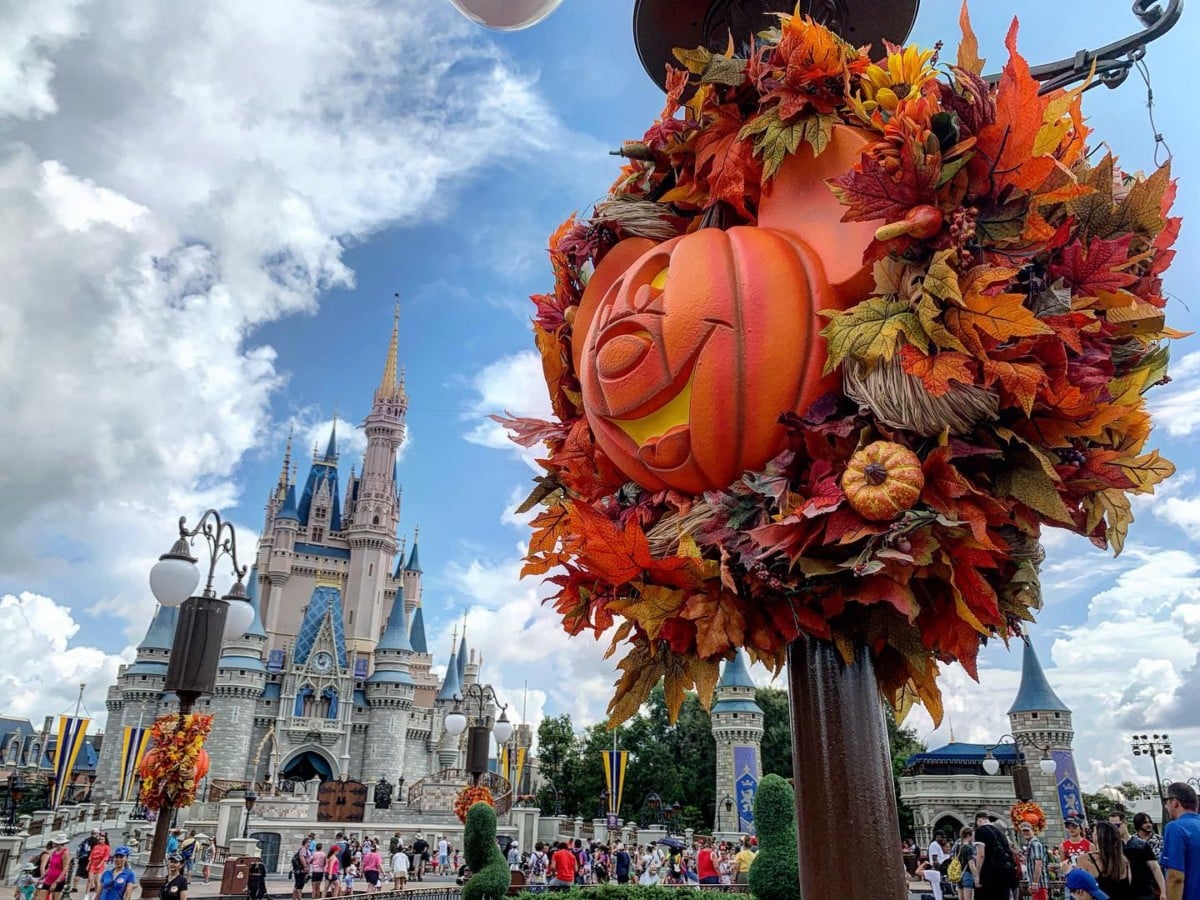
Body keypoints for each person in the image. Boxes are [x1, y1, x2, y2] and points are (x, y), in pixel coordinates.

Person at [1110, 810, 1166, 900]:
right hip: (1123, 892)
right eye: (1112, 827)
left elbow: (1155, 868)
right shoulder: (1112, 846)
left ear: (1125, 823)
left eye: (1118, 825)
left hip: (1145, 891)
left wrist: (1163, 891)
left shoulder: (1141, 844)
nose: (1115, 829)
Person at [1076, 821, 1134, 900]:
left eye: (1094, 832)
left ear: (1098, 837)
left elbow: (1082, 893)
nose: (1092, 834)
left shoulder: (1085, 859)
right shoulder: (1124, 862)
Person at [1162, 781, 1200, 900]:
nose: (1166, 806)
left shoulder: (1176, 828)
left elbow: (1176, 878)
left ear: (1175, 802)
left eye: (1166, 801)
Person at [974, 819, 1020, 900]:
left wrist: (977, 875)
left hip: (989, 874)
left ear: (979, 821)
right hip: (1005, 873)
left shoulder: (981, 831)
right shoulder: (1002, 836)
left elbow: (981, 855)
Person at [1019, 821, 1050, 900]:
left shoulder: (1035, 845)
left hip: (1039, 884)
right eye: (1023, 831)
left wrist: (1035, 882)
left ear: (1033, 830)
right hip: (1035, 884)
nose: (1025, 833)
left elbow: (1038, 864)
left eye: (1027, 830)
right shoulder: (1030, 845)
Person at [36, 835, 70, 900]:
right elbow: (50, 867)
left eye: (55, 843)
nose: (54, 845)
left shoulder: (65, 853)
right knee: (40, 897)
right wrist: (42, 877)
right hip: (48, 878)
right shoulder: (54, 852)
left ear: (60, 844)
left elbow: (65, 869)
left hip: (58, 879)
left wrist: (56, 882)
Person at [86, 834, 111, 900]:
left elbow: (106, 857)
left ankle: (96, 893)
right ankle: (86, 895)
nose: (101, 840)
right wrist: (88, 864)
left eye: (102, 839)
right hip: (93, 864)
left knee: (97, 880)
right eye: (100, 839)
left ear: (105, 840)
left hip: (100, 864)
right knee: (89, 879)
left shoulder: (107, 847)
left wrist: (100, 864)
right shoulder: (96, 846)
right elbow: (91, 856)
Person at [74, 832, 99, 897]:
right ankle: (92, 887)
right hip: (89, 860)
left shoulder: (85, 840)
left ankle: (74, 887)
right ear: (96, 834)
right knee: (90, 874)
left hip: (82, 859)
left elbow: (79, 848)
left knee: (78, 873)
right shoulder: (95, 841)